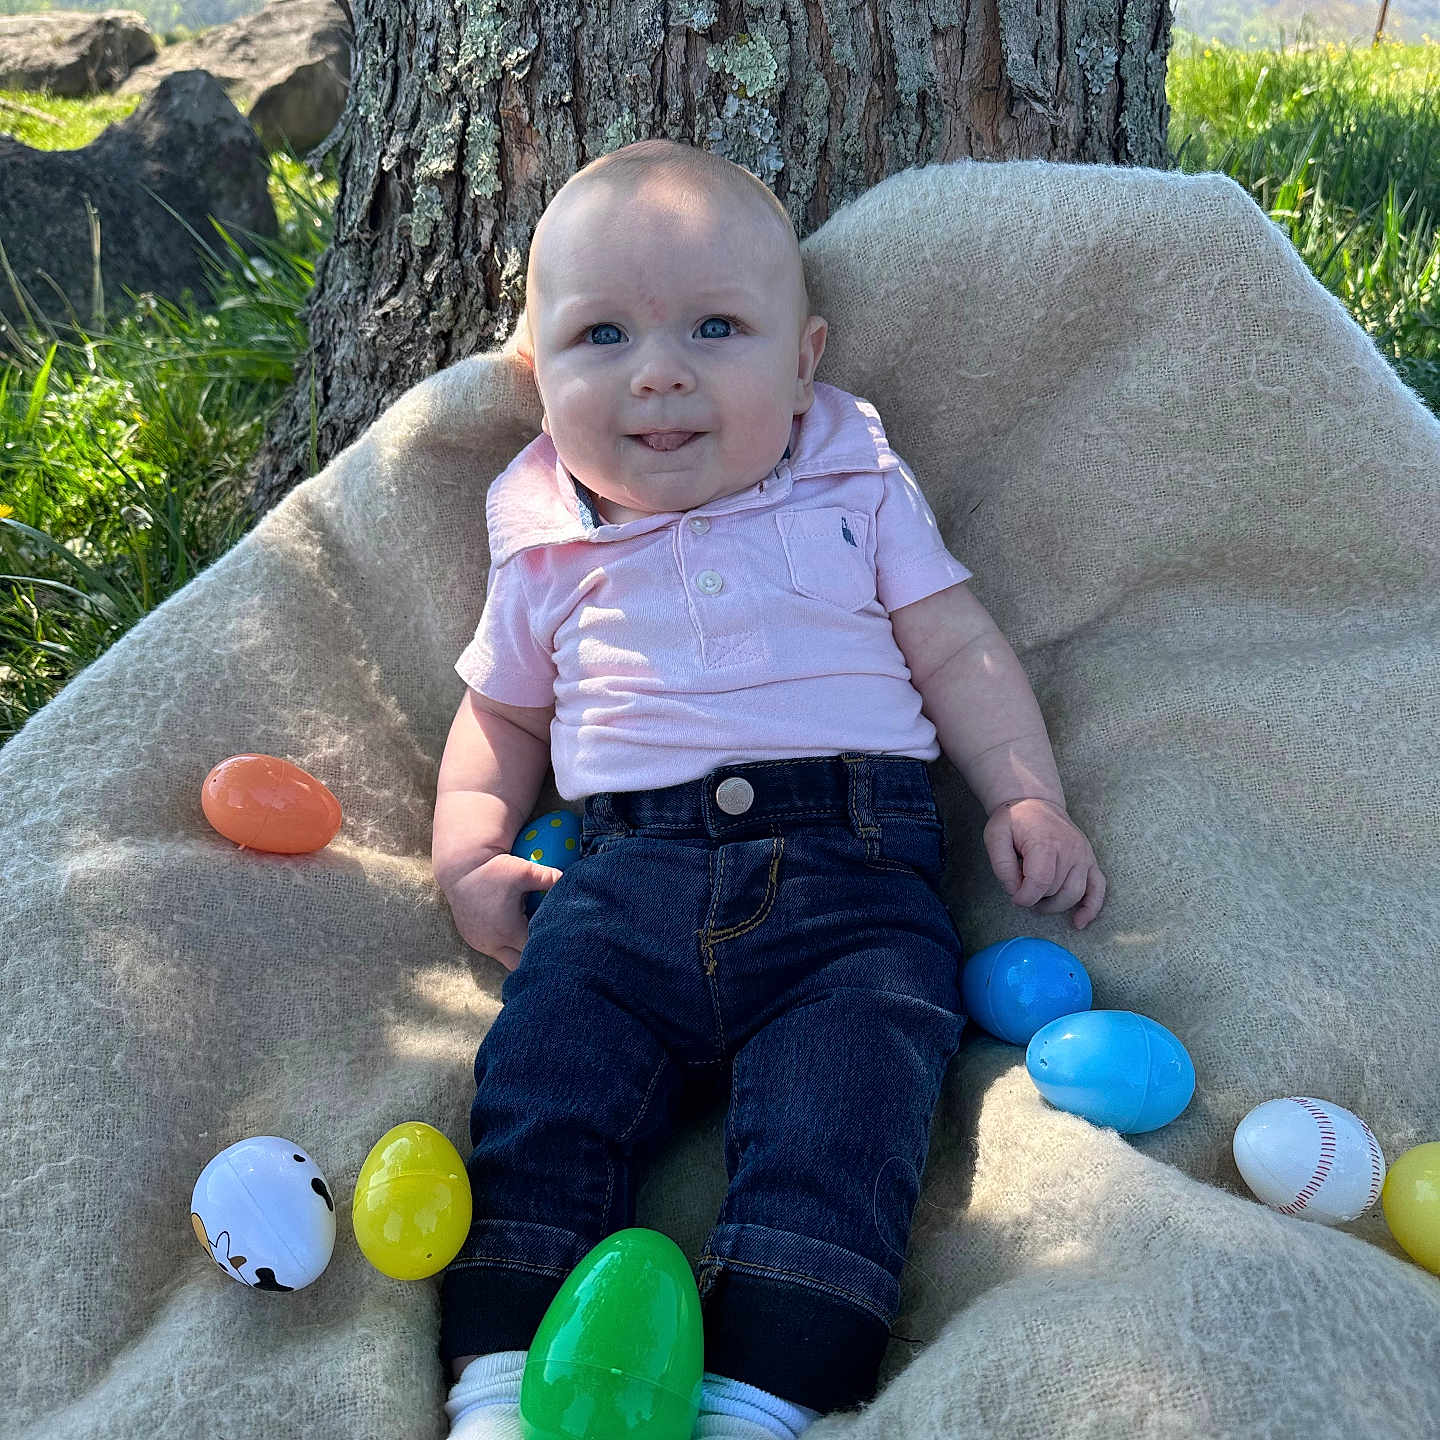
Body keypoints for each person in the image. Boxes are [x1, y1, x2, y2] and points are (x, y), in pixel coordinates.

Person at [431, 138, 1107, 1440]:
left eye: (716, 327)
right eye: (604, 335)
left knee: (845, 1120)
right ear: (538, 374)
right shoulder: (541, 537)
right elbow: (503, 716)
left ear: (805, 363)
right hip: (617, 890)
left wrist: (1026, 795)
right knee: (543, 1091)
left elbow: (957, 644)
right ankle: (505, 1385)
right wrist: (467, 855)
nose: (662, 370)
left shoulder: (852, 482)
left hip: (850, 889)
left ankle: (766, 1398)